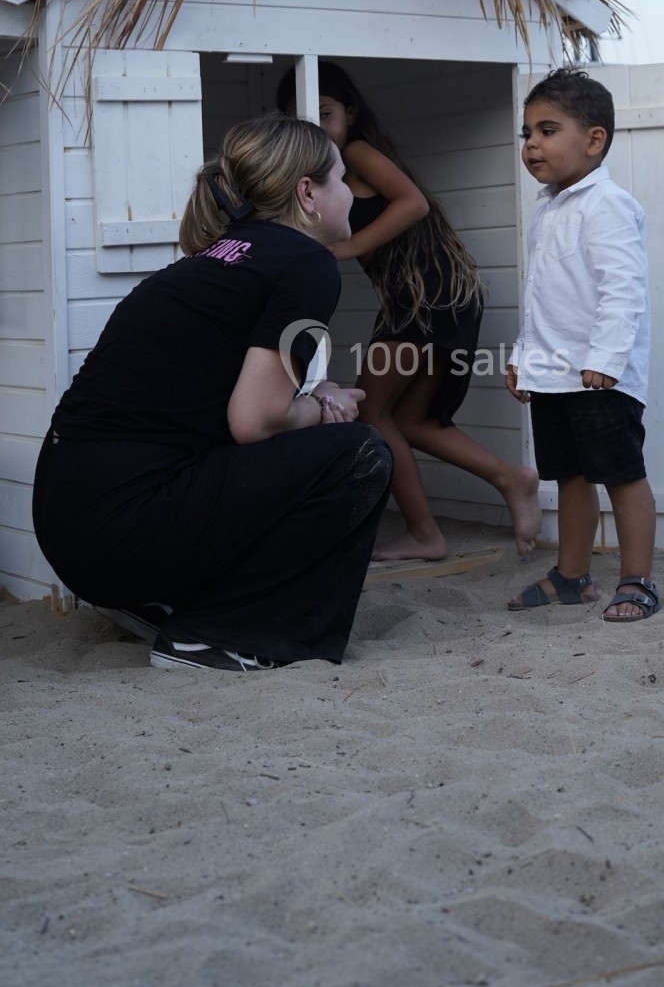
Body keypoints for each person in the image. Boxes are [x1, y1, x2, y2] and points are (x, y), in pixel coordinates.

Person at [31, 114, 393, 672]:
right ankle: (229, 635)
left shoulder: (214, 258)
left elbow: (219, 406)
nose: (351, 194)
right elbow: (254, 420)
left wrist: (311, 398)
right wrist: (324, 409)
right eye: (341, 179)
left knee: (275, 453)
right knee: (360, 454)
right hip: (122, 530)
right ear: (307, 194)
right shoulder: (306, 263)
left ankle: (166, 605)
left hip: (70, 523)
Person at [276, 62, 541, 562]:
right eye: (299, 120)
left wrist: (348, 249)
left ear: (350, 113)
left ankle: (424, 533)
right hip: (436, 295)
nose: (316, 128)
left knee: (373, 410)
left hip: (429, 293)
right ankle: (511, 477)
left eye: (325, 114)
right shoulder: (317, 177)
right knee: (415, 419)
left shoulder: (354, 153)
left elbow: (413, 203)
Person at [504, 68, 660, 624]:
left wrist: (605, 360)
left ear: (594, 139)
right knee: (568, 474)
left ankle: (638, 580)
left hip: (601, 374)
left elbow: (624, 289)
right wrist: (525, 355)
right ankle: (571, 577)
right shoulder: (549, 207)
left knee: (621, 472)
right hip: (552, 371)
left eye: (547, 130)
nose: (533, 145)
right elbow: (541, 295)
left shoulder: (607, 205)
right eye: (526, 134)